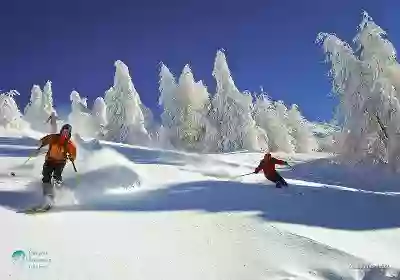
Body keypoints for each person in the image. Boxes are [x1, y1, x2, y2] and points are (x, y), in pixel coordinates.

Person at [36, 124, 77, 202]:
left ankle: (57, 193)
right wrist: (41, 143)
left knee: (56, 176)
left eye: (67, 132)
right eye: (63, 131)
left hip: (60, 162)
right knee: (46, 175)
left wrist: (72, 157)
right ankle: (47, 195)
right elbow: (45, 139)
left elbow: (73, 153)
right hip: (50, 160)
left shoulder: (69, 144)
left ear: (69, 134)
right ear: (61, 131)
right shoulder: (54, 137)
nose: (64, 134)